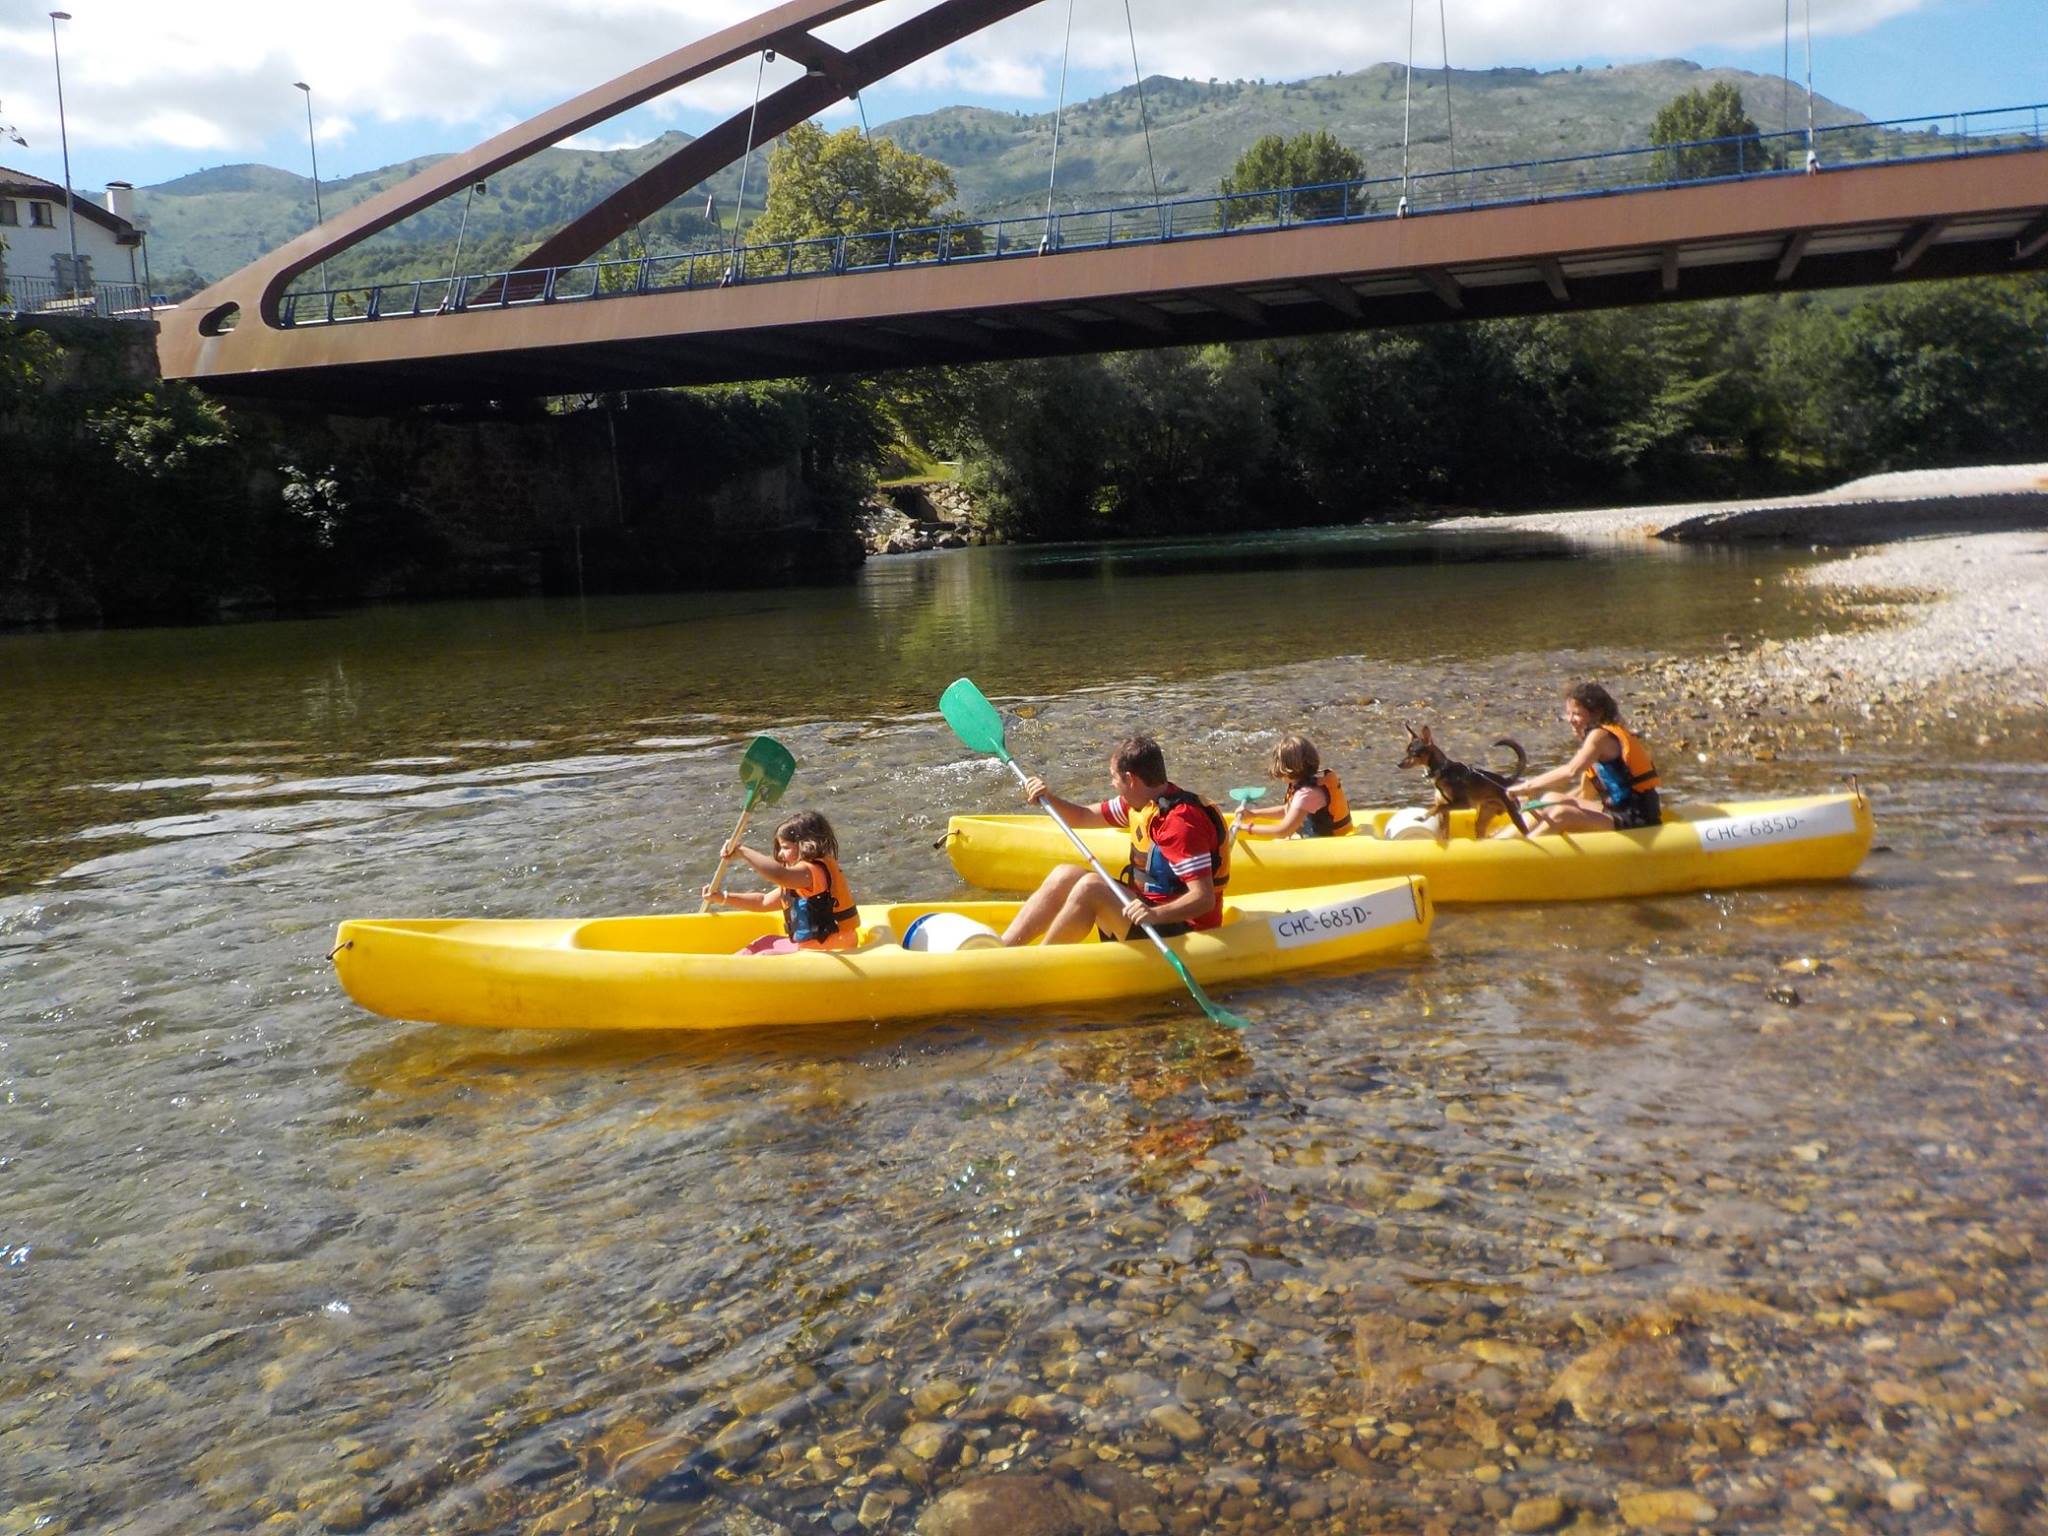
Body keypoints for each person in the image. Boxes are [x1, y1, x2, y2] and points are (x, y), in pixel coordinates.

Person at [999, 735, 1229, 947]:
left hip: (1184, 930)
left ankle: (1038, 963)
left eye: (1113, 777)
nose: (1112, 783)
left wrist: (1155, 915)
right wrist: (1047, 798)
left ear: (1130, 779)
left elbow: (1203, 899)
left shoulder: (1180, 824)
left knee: (1091, 887)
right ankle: (1002, 948)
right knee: (1065, 875)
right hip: (1148, 910)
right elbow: (1083, 816)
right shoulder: (1139, 803)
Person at [1506, 682, 1662, 834]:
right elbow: (1586, 794)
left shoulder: (1600, 736)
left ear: (1597, 713)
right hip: (1614, 810)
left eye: (1577, 714)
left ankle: (1512, 856)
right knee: (1549, 799)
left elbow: (1570, 771)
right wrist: (1541, 804)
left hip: (1636, 818)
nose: (1570, 719)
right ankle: (1498, 843)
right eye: (1568, 713)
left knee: (1562, 814)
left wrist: (1526, 787)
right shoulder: (1593, 744)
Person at [702, 809, 860, 954]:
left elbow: (779, 875)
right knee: (762, 943)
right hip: (814, 946)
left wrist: (742, 851)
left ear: (806, 845)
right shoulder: (798, 882)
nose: (780, 854)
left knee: (763, 957)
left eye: (785, 847)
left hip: (833, 946)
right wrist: (722, 897)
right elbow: (762, 902)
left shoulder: (811, 873)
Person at [1235, 734, 1355, 839]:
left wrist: (1246, 828)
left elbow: (1283, 831)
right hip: (1325, 837)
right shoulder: (1307, 785)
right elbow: (1287, 810)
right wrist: (1254, 814)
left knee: (1281, 839)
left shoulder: (1306, 794)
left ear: (1285, 768)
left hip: (1329, 845)